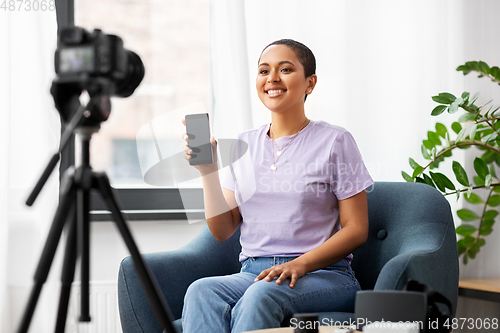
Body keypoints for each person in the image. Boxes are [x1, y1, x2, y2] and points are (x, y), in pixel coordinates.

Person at [180, 39, 373, 333]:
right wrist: (208, 171)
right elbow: (223, 231)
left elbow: (357, 229)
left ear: (310, 83)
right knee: (201, 291)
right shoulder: (244, 144)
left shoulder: (335, 141)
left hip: (323, 274)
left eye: (285, 69)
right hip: (255, 272)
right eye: (263, 71)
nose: (272, 78)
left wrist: (301, 264)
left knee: (262, 295)